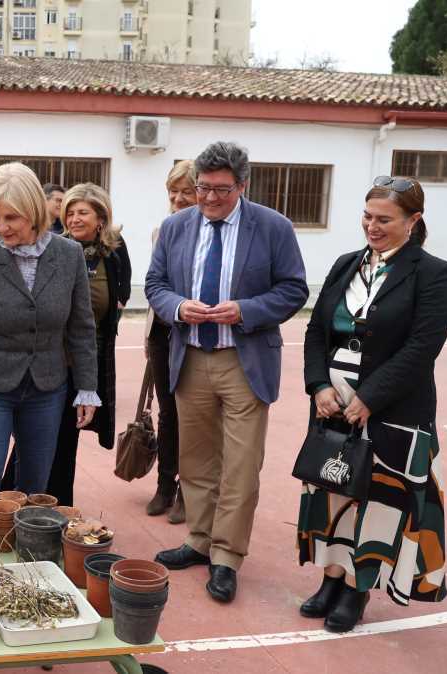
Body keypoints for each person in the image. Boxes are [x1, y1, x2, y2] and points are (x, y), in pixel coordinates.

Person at [145, 141, 308, 603]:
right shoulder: (176, 227)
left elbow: (294, 289)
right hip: (191, 358)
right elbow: (154, 285)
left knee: (240, 465)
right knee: (196, 460)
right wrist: (177, 307)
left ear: (243, 185)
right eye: (202, 188)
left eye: (221, 190)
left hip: (244, 360)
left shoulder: (273, 227)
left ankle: (227, 557)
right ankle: (199, 540)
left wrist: (246, 310)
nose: (209, 198)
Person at [296, 176, 447, 632]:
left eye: (385, 219)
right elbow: (315, 332)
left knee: (379, 502)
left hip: (393, 411)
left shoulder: (432, 273)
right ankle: (329, 580)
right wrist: (317, 385)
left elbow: (422, 348)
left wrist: (369, 398)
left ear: (414, 221)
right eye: (367, 216)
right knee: (331, 494)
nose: (372, 226)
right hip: (332, 405)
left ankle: (356, 592)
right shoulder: (346, 264)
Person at [0, 162, 100, 497]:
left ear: (34, 212)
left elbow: (81, 328)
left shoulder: (69, 256)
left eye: (11, 218)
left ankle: (25, 551)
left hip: (47, 387)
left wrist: (87, 387)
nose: (1, 227)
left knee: (34, 487)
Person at [0, 183, 128, 506]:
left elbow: (121, 292)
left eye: (82, 212)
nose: (73, 218)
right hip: (55, 360)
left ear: (101, 217)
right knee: (38, 436)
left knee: (66, 438)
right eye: (69, 212)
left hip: (92, 356)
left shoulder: (113, 252)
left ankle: (56, 506)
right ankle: (10, 498)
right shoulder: (58, 250)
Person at [144, 160, 198, 523]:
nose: (178, 198)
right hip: (164, 332)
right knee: (167, 413)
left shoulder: (217, 235)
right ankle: (165, 484)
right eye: (172, 191)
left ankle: (188, 491)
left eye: (186, 191)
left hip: (197, 335)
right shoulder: (160, 230)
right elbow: (154, 285)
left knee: (194, 415)